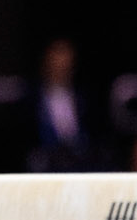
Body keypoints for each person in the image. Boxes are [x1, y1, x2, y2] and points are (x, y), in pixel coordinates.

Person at [26, 35, 93, 171]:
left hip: (80, 162)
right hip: (44, 163)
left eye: (66, 56)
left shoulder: (85, 98)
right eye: (57, 54)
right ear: (46, 59)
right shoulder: (30, 99)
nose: (62, 62)